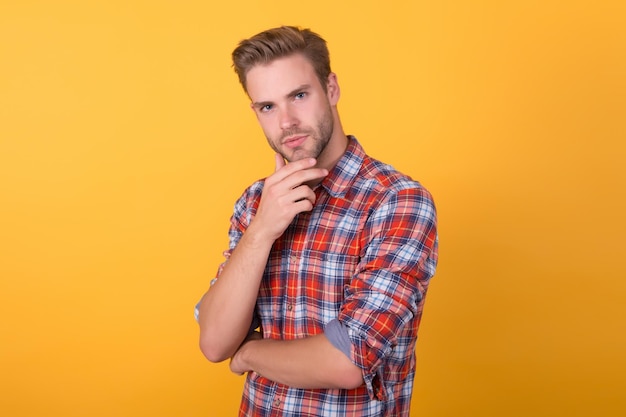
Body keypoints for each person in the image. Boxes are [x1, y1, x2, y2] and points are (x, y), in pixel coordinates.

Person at [196, 25, 438, 417]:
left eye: (299, 95)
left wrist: (251, 353)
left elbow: (348, 361)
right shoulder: (257, 203)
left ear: (332, 89)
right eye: (268, 106)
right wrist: (261, 231)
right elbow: (214, 342)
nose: (287, 121)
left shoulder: (397, 202)